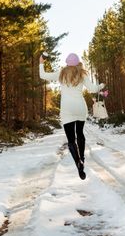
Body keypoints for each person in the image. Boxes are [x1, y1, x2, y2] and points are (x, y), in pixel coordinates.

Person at [39, 52, 105, 180]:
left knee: (71, 140)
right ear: (78, 63)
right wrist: (101, 86)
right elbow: (93, 89)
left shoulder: (61, 73)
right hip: (80, 107)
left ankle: (78, 163)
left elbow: (42, 75)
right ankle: (83, 159)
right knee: (80, 134)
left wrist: (41, 62)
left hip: (67, 109)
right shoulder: (82, 74)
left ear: (67, 63)